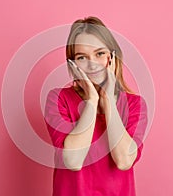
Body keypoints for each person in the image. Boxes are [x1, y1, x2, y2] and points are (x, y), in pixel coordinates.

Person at [44, 16, 148, 196]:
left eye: (99, 53)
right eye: (82, 57)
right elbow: (73, 161)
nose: (92, 64)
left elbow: (123, 160)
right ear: (73, 64)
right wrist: (92, 100)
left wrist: (108, 100)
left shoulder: (134, 105)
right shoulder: (58, 99)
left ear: (112, 57)